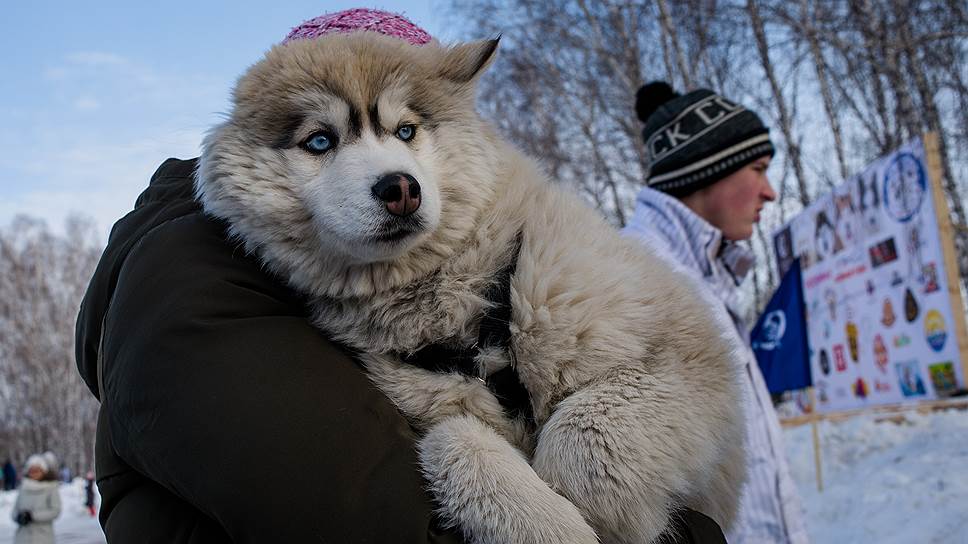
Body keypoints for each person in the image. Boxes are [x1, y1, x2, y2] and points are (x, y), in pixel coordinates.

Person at [74, 10, 729, 543]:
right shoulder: (204, 280)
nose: (394, 181)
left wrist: (586, 480)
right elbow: (373, 494)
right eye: (321, 141)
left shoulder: (544, 245)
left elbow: (699, 364)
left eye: (406, 129)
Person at [623, 82, 810, 544]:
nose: (769, 191)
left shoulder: (705, 283)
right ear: (707, 170)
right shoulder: (638, 283)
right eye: (759, 168)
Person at [11, 454, 61, 544]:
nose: (34, 473)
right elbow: (14, 511)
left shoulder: (51, 487)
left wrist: (33, 516)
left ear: (43, 471)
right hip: (22, 538)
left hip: (43, 537)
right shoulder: (23, 488)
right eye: (31, 470)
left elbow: (55, 511)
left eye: (37, 470)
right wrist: (19, 517)